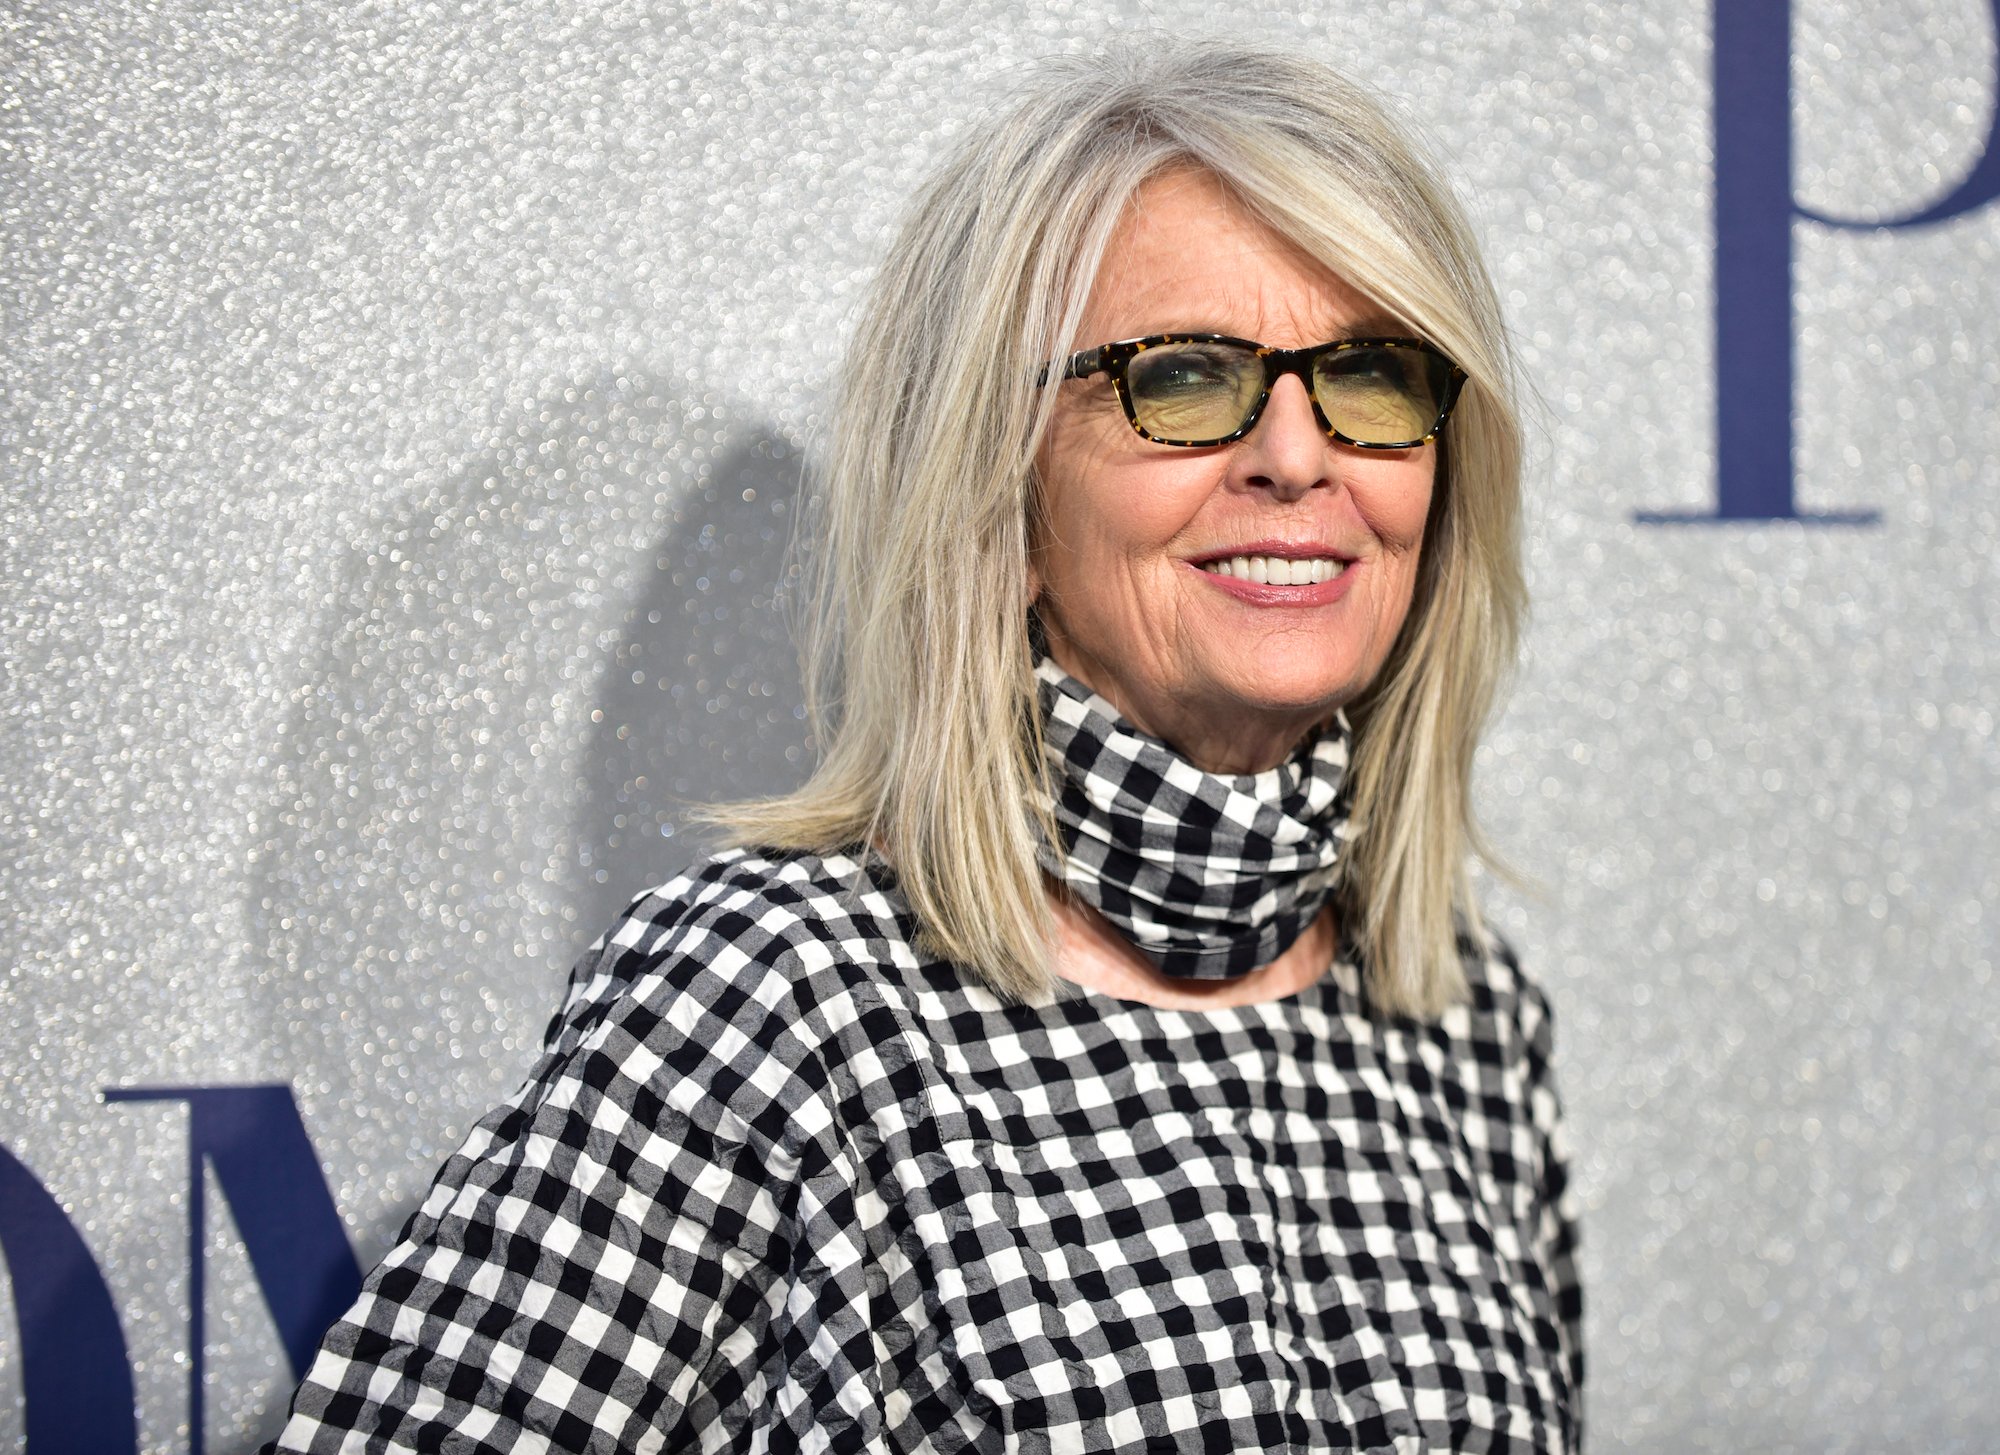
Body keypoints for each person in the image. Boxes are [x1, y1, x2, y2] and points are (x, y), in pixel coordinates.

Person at [266, 38, 1581, 1454]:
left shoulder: (1465, 1018)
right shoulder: (770, 999)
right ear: (997, 484)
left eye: (1373, 376)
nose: (1295, 455)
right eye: (1187, 378)